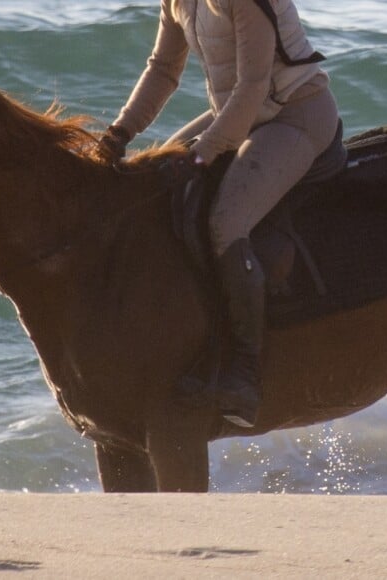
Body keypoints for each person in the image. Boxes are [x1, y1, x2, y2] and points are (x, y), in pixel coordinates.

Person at [98, 0, 340, 428]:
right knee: (154, 186)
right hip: (240, 112)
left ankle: (245, 370)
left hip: (295, 113)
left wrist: (200, 156)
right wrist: (119, 133)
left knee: (225, 222)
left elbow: (252, 87)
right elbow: (162, 70)